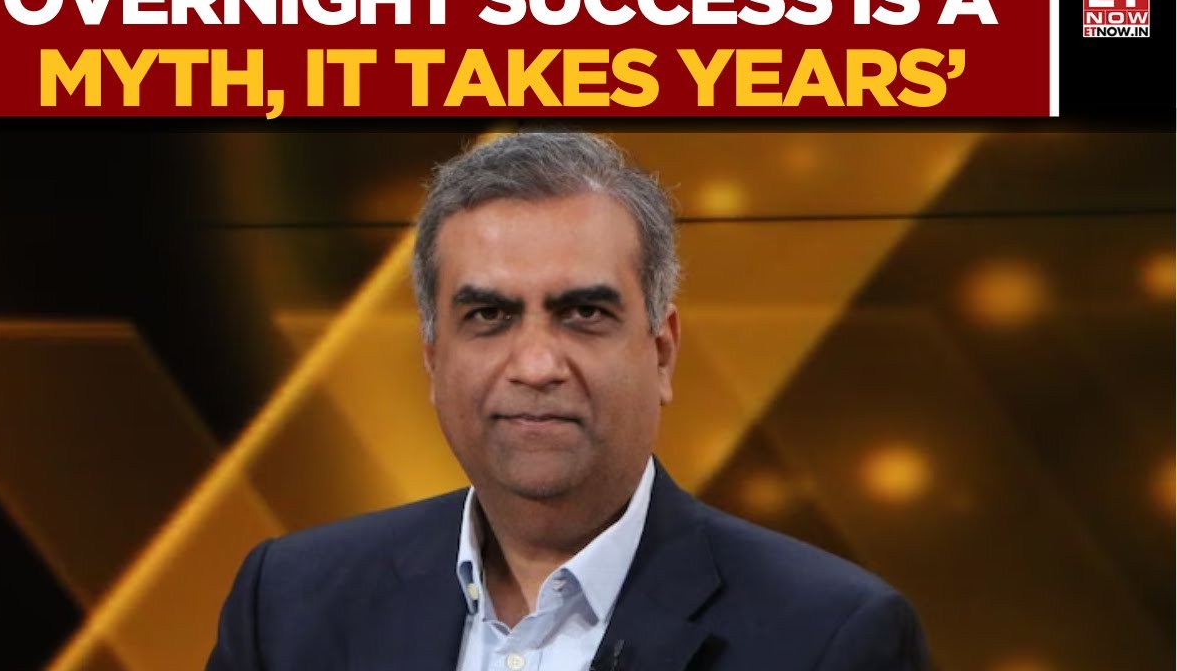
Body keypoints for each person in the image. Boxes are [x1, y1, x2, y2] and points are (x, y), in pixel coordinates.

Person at [206, 132, 928, 671]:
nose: (536, 365)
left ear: (661, 352)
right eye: (489, 315)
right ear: (433, 360)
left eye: (583, 313)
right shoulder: (287, 605)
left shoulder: (832, 637)